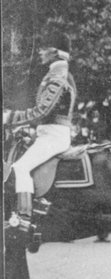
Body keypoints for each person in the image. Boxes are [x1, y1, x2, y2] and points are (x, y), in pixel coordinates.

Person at [3, 31, 76, 227]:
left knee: (21, 167)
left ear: (54, 52)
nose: (40, 52)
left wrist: (10, 117)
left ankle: (24, 218)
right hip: (47, 134)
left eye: (44, 49)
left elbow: (43, 111)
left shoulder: (58, 76)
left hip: (54, 137)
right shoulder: (54, 74)